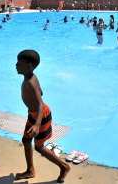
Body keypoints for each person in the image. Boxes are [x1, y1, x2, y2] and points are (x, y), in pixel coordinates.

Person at [16, 50, 70, 183]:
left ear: (28, 66)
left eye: (19, 63)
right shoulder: (31, 77)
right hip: (34, 115)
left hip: (40, 116)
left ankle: (64, 166)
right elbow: (41, 92)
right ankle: (30, 170)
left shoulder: (30, 82)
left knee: (39, 147)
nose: (16, 65)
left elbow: (39, 104)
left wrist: (37, 125)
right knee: (26, 140)